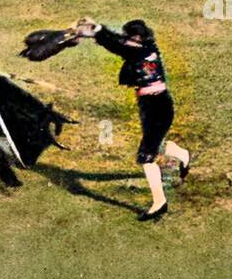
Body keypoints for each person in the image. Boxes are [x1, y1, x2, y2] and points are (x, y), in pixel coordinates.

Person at [75, 18, 190, 221]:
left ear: (136, 37)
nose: (128, 40)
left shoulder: (137, 50)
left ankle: (159, 203)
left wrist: (98, 31)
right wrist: (97, 30)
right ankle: (183, 155)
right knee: (155, 145)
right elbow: (120, 42)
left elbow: (117, 44)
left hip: (157, 108)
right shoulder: (147, 46)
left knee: (145, 157)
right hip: (153, 106)